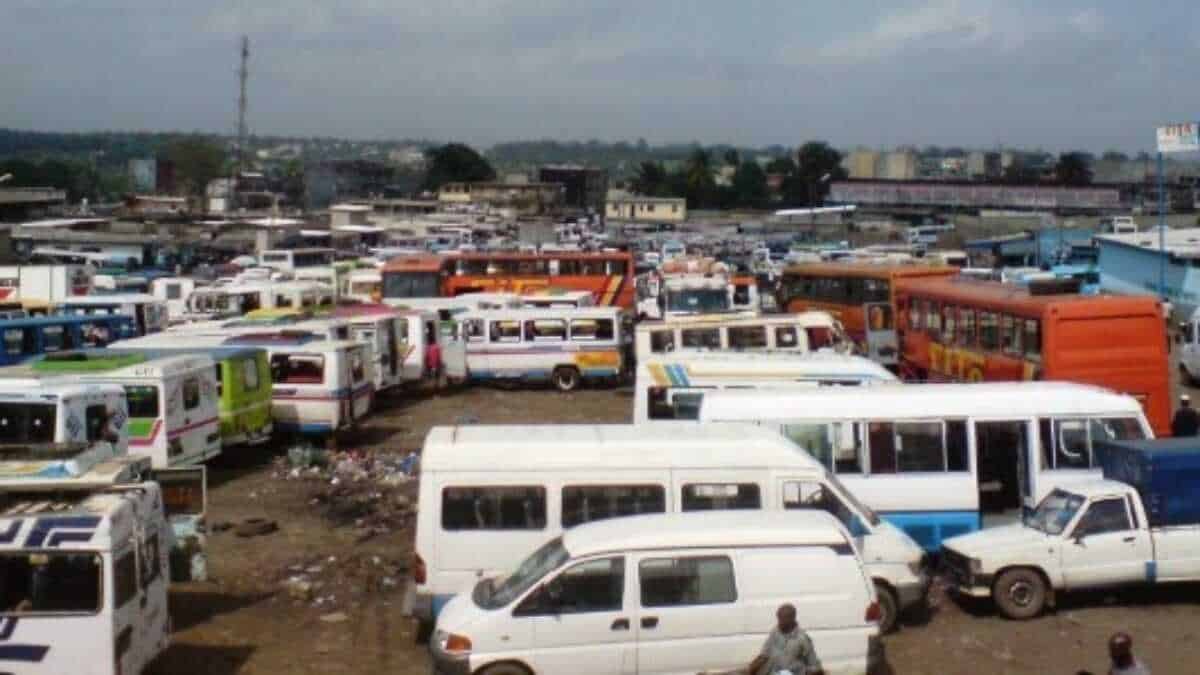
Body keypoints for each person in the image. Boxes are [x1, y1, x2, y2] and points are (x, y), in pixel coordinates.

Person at [746, 603, 823, 675]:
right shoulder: (775, 632)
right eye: (778, 618)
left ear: (792, 618)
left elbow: (815, 666)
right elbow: (764, 655)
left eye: (782, 619)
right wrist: (750, 670)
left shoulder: (802, 639)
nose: (779, 622)